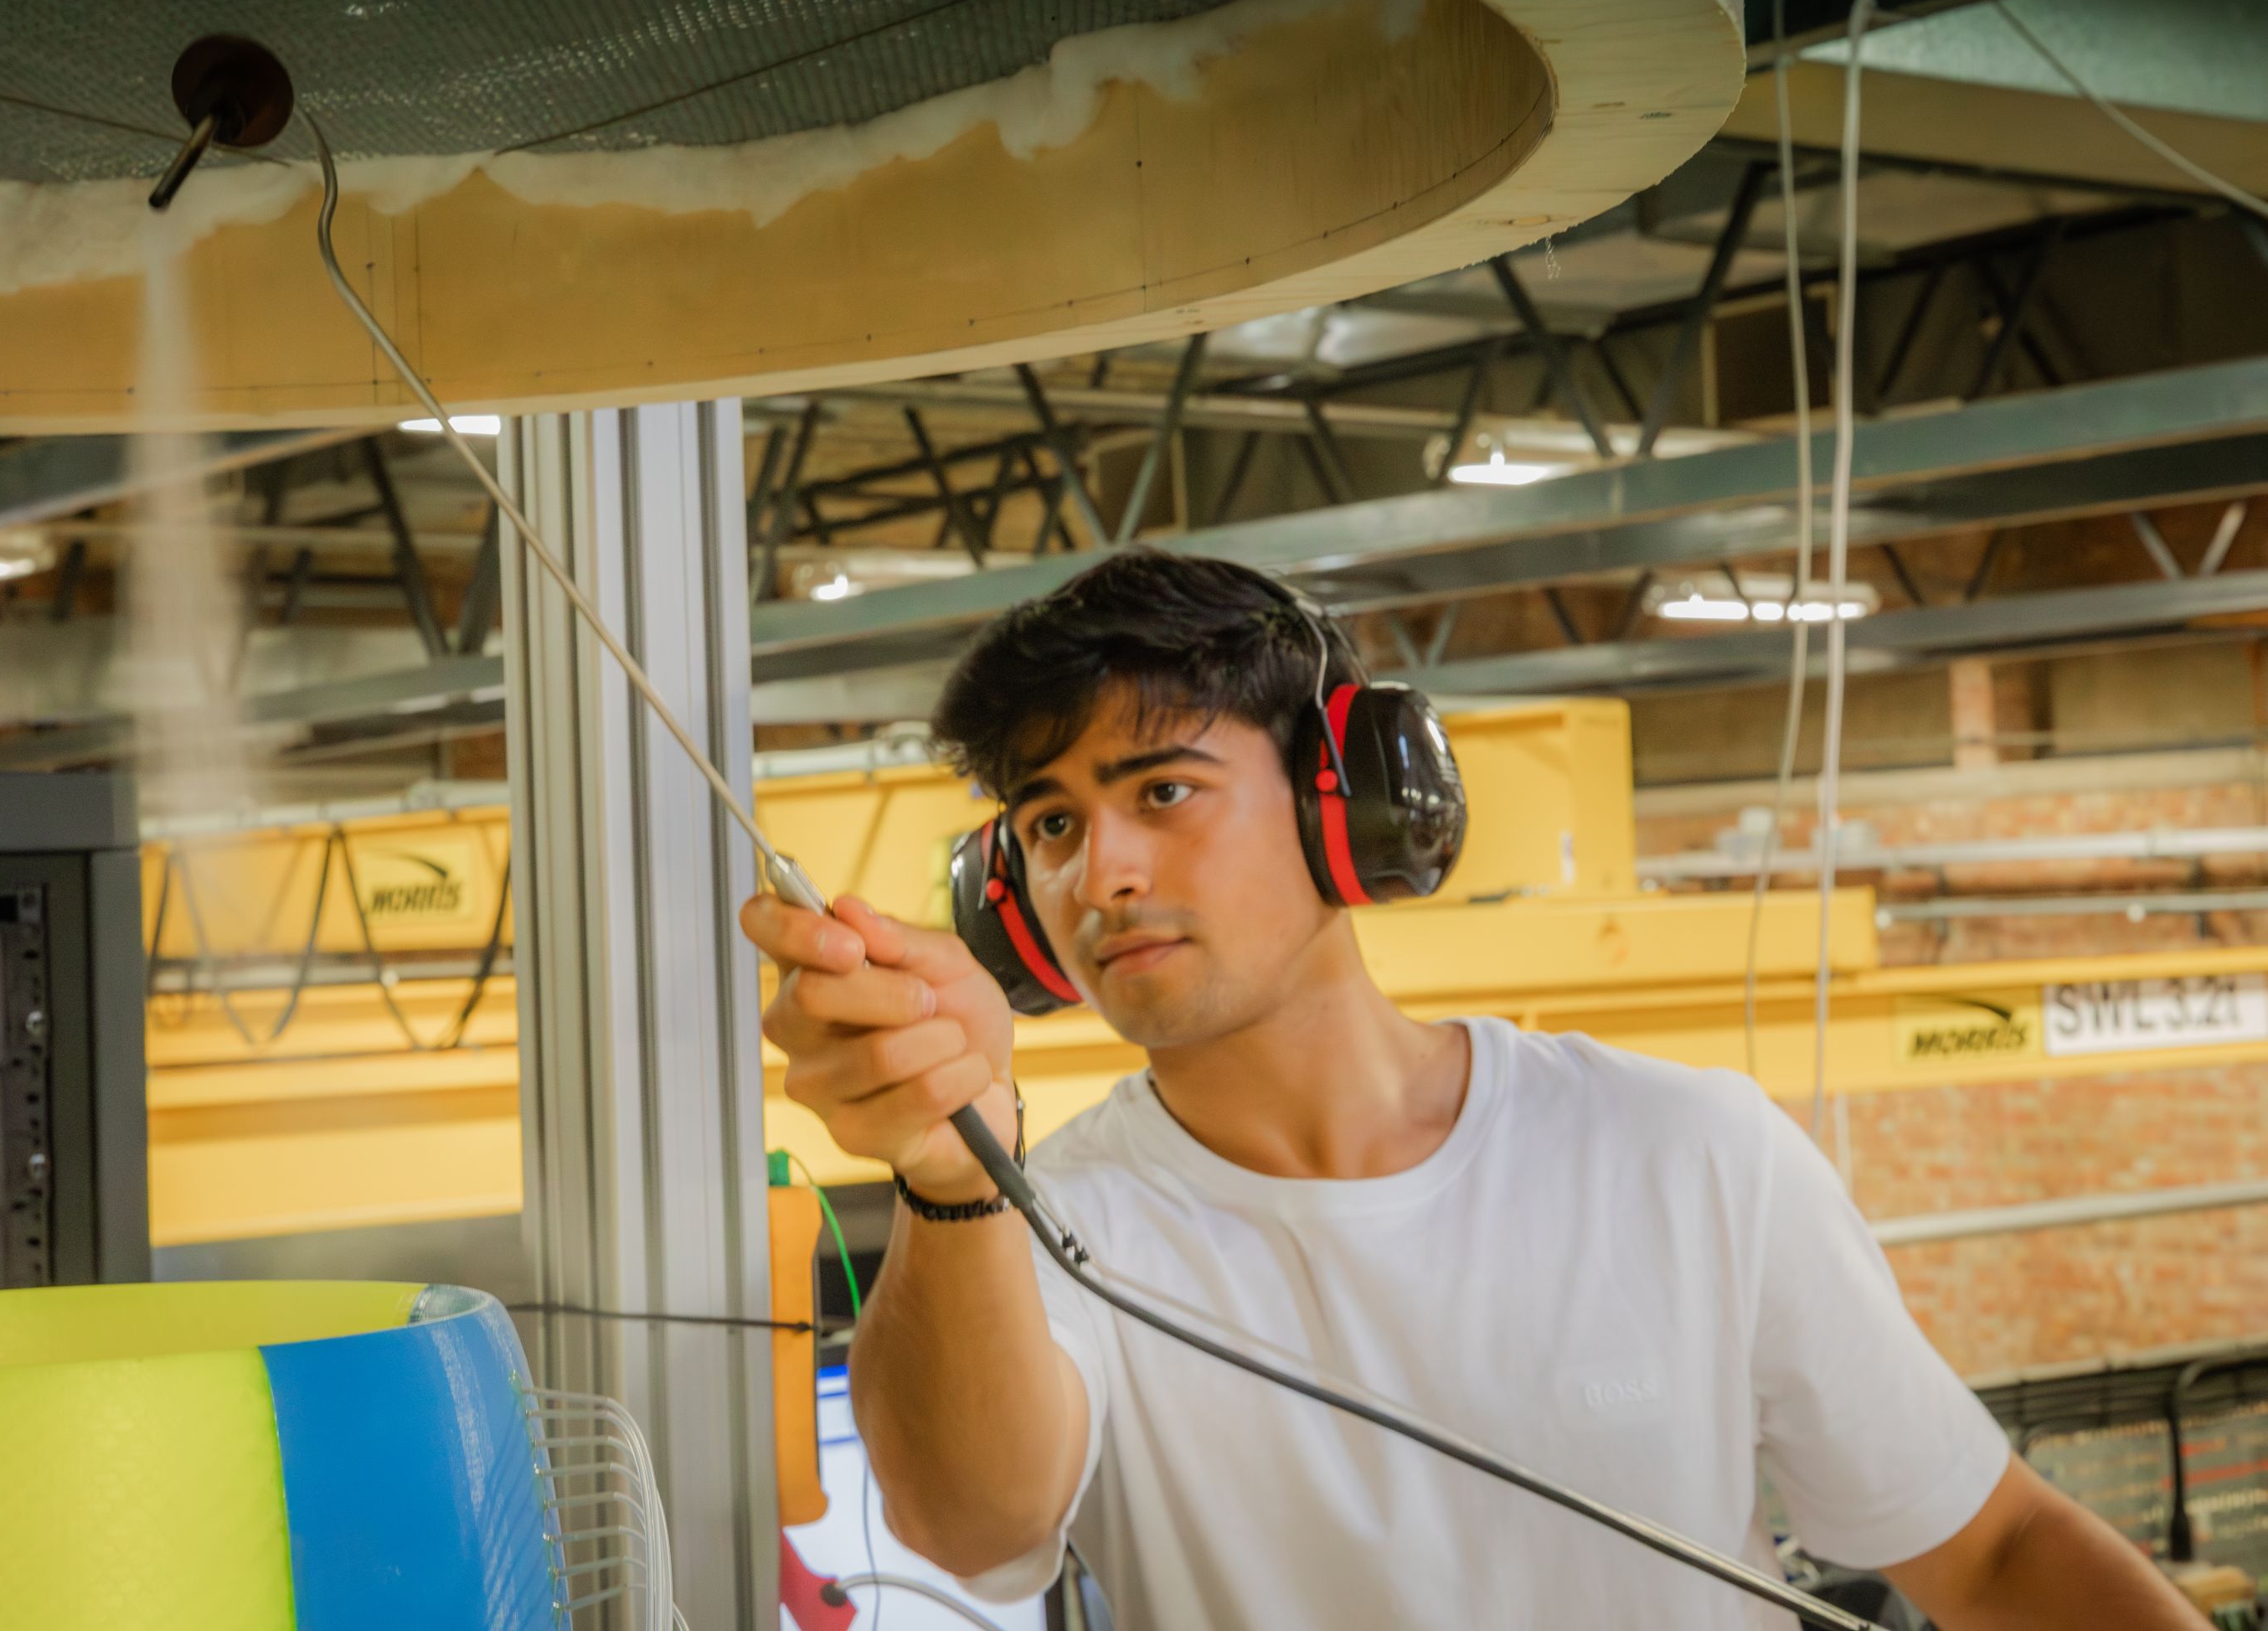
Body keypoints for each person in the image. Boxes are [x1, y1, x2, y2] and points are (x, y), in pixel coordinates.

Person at [740, 548, 2200, 1629]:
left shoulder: (1682, 1151)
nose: (1098, 872)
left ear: (1346, 803)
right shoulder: (1057, 1227)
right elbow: (973, 1526)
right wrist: (952, 1172)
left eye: (1162, 792)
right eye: (1049, 824)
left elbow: (1992, 1552)